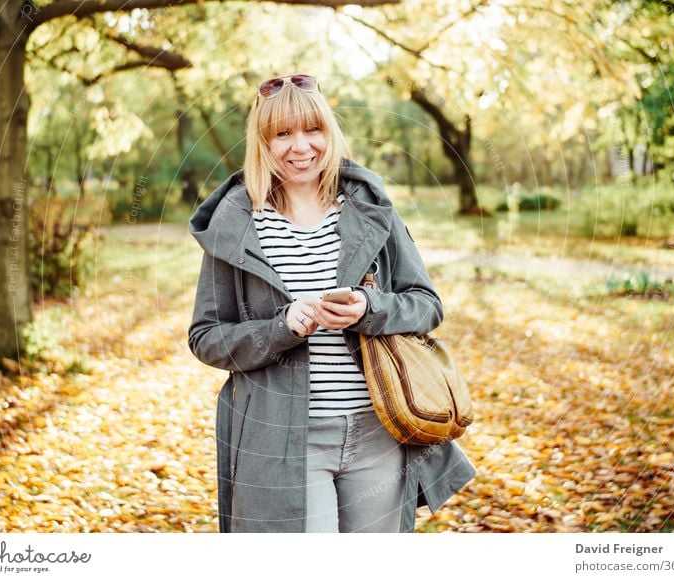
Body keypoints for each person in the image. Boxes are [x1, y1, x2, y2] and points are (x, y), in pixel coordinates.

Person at [188, 73, 476, 533]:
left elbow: (426, 304)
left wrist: (369, 308)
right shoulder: (237, 223)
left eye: (312, 130)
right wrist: (280, 328)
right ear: (262, 142)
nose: (300, 146)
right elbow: (206, 338)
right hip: (282, 440)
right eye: (282, 134)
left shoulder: (369, 208)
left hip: (378, 430)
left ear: (330, 133)